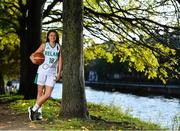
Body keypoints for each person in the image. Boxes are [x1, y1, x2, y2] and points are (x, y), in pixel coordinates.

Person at [28, 30, 62, 121]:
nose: (52, 37)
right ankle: (38, 113)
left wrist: (59, 73)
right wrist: (34, 60)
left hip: (52, 73)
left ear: (56, 37)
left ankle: (33, 109)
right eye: (51, 35)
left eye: (54, 35)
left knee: (47, 94)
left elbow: (60, 61)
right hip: (41, 71)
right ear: (48, 36)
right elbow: (32, 55)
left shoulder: (59, 47)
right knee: (40, 93)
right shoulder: (44, 45)